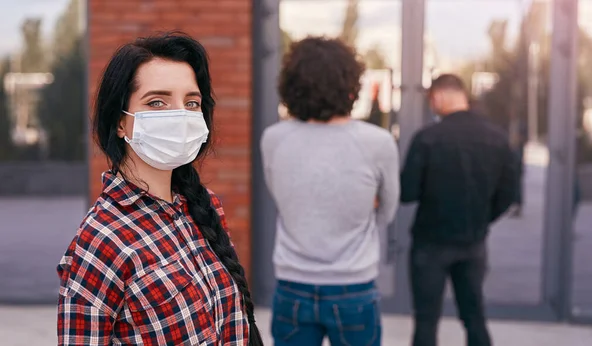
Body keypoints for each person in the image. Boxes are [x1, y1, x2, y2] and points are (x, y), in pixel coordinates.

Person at [56, 32, 263, 346]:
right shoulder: (101, 240)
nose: (180, 115)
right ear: (120, 122)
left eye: (191, 102)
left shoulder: (204, 206)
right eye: (157, 102)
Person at [261, 37, 399, 346]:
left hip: (292, 284)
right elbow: (387, 211)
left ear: (291, 84)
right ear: (351, 83)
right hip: (354, 287)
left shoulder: (273, 138)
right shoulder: (378, 143)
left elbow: (281, 197)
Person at [401, 74, 518, 346]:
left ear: (439, 97)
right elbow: (509, 194)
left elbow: (407, 193)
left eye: (431, 101)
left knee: (426, 321)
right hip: (473, 241)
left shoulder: (427, 138)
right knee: (474, 316)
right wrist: (483, 218)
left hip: (430, 242)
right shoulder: (497, 138)